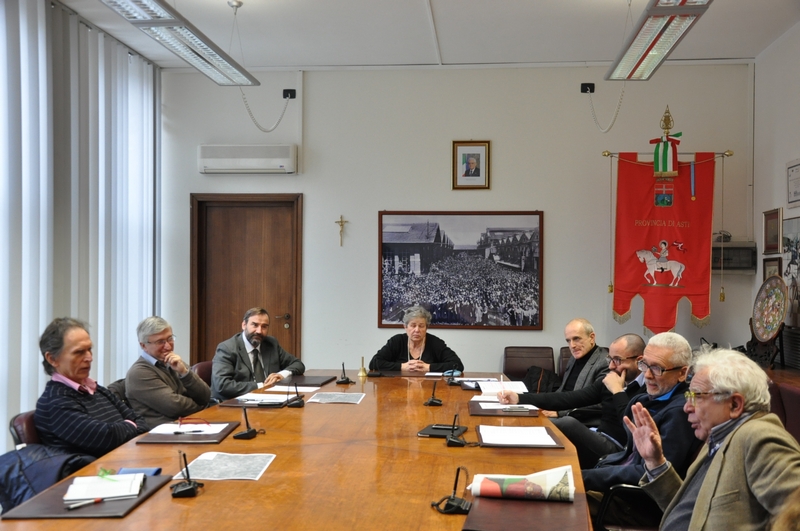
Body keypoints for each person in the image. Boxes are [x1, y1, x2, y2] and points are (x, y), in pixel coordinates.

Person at [626, 349, 800, 530]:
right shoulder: (717, 437)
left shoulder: (758, 436)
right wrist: (656, 462)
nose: (686, 407)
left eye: (696, 397)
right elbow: (695, 512)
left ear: (734, 404)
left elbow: (796, 513)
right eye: (688, 397)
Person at [498, 333, 646, 468]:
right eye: (610, 359)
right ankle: (513, 457)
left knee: (567, 423)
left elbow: (632, 427)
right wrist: (519, 398)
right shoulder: (612, 379)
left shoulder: (647, 388)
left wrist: (618, 392)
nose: (611, 366)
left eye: (618, 360)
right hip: (597, 435)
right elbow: (570, 398)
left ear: (639, 361)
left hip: (620, 450)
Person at [582, 332, 702, 496]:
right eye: (644, 365)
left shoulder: (680, 413)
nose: (646, 375)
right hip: (614, 474)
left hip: (633, 499)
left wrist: (585, 477)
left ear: (682, 373)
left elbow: (655, 474)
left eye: (657, 368)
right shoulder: (645, 398)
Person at [34, 318, 148, 458]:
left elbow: (141, 422)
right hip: (94, 475)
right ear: (52, 359)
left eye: (89, 350)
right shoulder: (54, 401)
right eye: (79, 352)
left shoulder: (95, 389)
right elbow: (106, 439)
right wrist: (130, 426)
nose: (89, 358)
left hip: (127, 462)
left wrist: (126, 427)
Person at [125, 316, 211, 429]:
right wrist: (201, 406)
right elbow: (175, 407)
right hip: (162, 435)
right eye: (160, 342)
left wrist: (185, 373)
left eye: (170, 338)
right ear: (143, 345)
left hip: (187, 425)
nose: (168, 346)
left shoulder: (173, 362)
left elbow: (205, 396)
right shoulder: (139, 373)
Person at [211, 307, 305, 400]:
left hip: (269, 400)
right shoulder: (227, 348)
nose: (259, 331)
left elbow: (298, 364)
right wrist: (261, 386)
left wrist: (281, 375)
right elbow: (222, 385)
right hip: (236, 403)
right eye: (255, 325)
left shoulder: (271, 344)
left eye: (264, 326)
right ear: (244, 325)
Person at [544, 318, 610, 420]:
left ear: (591, 337)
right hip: (561, 412)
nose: (572, 345)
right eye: (568, 341)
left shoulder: (605, 362)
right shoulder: (573, 358)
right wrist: (544, 403)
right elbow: (563, 390)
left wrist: (559, 413)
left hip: (579, 419)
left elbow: (599, 403)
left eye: (576, 339)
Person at [369, 306, 464, 372]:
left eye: (421, 326)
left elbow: (457, 365)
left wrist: (428, 367)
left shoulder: (435, 343)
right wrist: (402, 367)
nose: (417, 330)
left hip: (428, 388)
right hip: (398, 388)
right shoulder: (397, 341)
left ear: (426, 328)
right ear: (405, 327)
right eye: (413, 326)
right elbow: (374, 363)